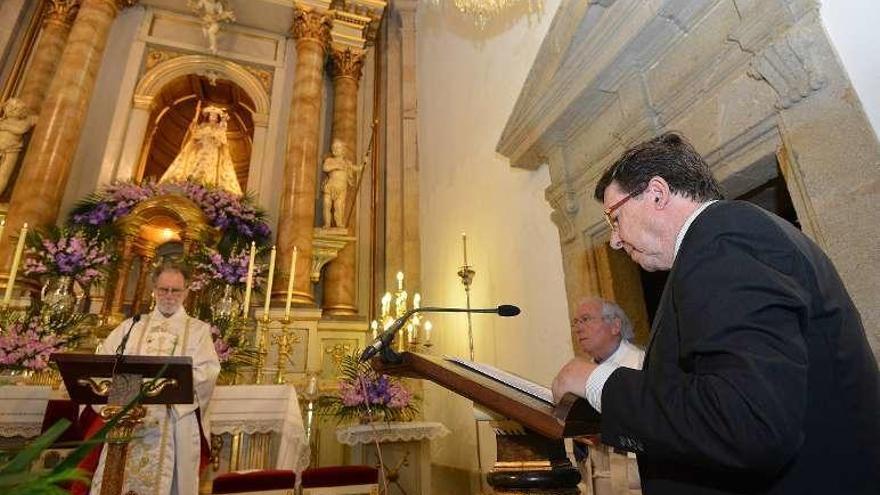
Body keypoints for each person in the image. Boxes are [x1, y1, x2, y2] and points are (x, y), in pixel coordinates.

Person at [551, 132, 880, 494]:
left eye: (615, 218)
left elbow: (748, 424)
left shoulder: (722, 241)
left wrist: (597, 382)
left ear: (657, 193)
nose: (614, 239)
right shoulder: (730, 238)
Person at [90, 260, 221, 495]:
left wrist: (166, 390)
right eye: (163, 289)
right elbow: (105, 364)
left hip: (174, 422)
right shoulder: (131, 327)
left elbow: (207, 373)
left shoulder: (198, 331)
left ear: (186, 292)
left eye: (175, 290)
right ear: (154, 289)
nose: (169, 296)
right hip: (128, 422)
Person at [159, 104, 242, 196]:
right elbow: (194, 133)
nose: (212, 117)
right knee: (196, 167)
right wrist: (197, 114)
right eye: (211, 115)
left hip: (212, 152)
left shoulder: (218, 128)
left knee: (209, 170)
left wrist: (220, 128)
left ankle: (206, 188)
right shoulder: (203, 126)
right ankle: (191, 185)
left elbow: (222, 139)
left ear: (217, 118)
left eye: (214, 116)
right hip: (201, 150)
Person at [570, 297, 643, 369]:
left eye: (586, 319)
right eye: (576, 322)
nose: (578, 329)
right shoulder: (585, 369)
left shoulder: (638, 363)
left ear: (615, 326)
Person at [321, 139, 363, 228]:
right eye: (334, 148)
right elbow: (325, 168)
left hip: (341, 187)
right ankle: (327, 223)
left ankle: (339, 223)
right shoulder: (329, 160)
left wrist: (363, 164)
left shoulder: (346, 163)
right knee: (326, 203)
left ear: (343, 150)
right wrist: (337, 165)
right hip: (330, 185)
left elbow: (357, 168)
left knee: (339, 206)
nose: (335, 149)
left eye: (338, 147)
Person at [0, 98, 37, 194]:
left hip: (10, 151)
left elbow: (21, 129)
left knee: (3, 175)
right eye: (9, 106)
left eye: (15, 108)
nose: (11, 109)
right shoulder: (3, 120)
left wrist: (5, 127)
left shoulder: (25, 122)